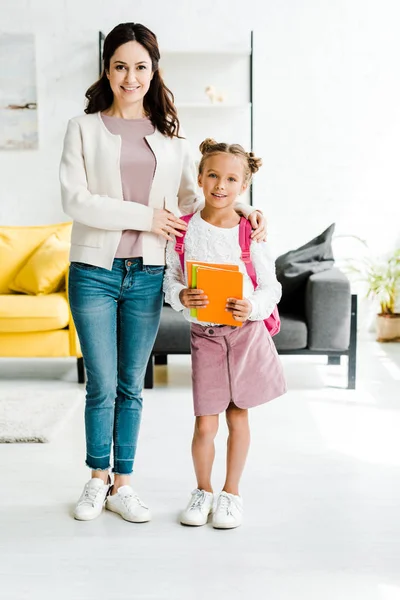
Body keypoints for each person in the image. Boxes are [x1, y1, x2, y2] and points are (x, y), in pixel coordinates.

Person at [59, 22, 267, 523]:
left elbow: (198, 198)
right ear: (107, 69)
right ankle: (95, 479)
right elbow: (76, 201)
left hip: (149, 273)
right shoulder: (82, 128)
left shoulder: (172, 139)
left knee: (132, 383)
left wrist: (246, 211)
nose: (130, 77)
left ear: (154, 72)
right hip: (93, 269)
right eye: (120, 66)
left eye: (141, 67)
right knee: (101, 384)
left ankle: (123, 484)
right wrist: (147, 218)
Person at [163, 138, 287, 529]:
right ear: (199, 178)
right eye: (213, 175)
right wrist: (182, 296)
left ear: (243, 186)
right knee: (205, 422)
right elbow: (170, 280)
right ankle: (203, 491)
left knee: (238, 416)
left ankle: (231, 494)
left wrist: (251, 306)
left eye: (231, 179)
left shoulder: (251, 231)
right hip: (205, 336)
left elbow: (271, 286)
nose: (220, 185)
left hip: (245, 334)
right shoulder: (183, 230)